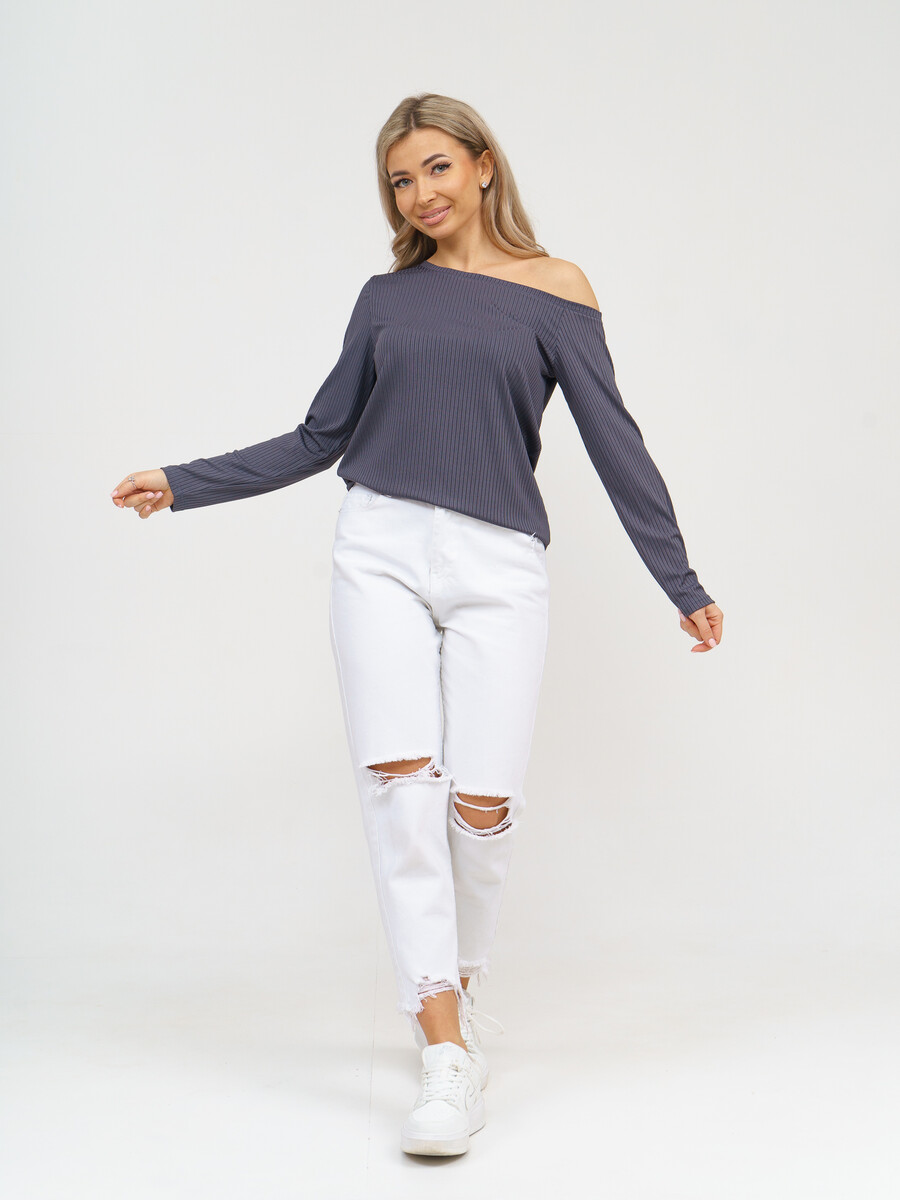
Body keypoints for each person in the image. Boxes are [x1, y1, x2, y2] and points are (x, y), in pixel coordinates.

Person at [110, 92, 724, 1158]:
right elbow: (321, 435)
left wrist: (680, 579)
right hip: (380, 549)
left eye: (437, 167)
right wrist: (185, 481)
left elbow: (614, 441)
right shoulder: (386, 300)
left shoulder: (557, 290)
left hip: (499, 563)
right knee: (401, 796)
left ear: (484, 166)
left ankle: (460, 985)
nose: (420, 193)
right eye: (401, 180)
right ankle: (442, 1050)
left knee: (481, 809)